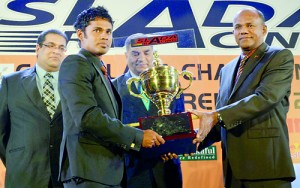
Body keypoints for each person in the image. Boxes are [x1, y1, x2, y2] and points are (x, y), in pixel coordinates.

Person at [58, 6, 165, 187]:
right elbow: (87, 117)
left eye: (108, 31)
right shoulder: (76, 63)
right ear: (80, 34)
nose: (105, 36)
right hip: (89, 171)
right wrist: (138, 137)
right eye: (97, 30)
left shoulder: (97, 67)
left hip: (105, 171)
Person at [189, 8, 296, 188]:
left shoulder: (279, 57)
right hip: (233, 170)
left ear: (264, 30)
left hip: (266, 167)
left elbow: (265, 98)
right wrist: (194, 139)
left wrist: (215, 115)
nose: (243, 30)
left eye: (250, 25)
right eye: (238, 27)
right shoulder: (227, 69)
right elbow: (225, 117)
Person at [112, 33, 185, 188]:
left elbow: (180, 122)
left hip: (167, 171)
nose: (142, 58)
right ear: (126, 55)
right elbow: (113, 130)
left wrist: (174, 146)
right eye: (135, 53)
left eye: (146, 52)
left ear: (153, 53)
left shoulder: (170, 83)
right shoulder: (113, 88)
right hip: (131, 172)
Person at [0, 29, 68, 187]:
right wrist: (16, 157)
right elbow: (1, 131)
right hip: (24, 173)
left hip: (65, 175)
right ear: (38, 49)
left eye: (61, 47)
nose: (56, 51)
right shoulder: (11, 82)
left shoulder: (74, 84)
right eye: (50, 45)